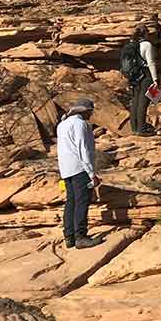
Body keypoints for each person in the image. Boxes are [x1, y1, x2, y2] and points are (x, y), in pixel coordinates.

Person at [57, 98, 101, 249]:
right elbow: (84, 149)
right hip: (79, 168)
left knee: (71, 202)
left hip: (66, 169)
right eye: (91, 111)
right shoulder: (80, 124)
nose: (91, 114)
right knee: (82, 201)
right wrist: (91, 173)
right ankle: (80, 237)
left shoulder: (62, 124)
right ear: (85, 110)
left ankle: (69, 237)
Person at [121, 19, 160, 135]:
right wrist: (155, 79)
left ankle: (134, 128)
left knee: (135, 101)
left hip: (134, 76)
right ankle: (141, 128)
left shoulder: (131, 45)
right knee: (143, 102)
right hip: (145, 74)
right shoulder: (146, 45)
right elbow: (151, 63)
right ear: (145, 33)